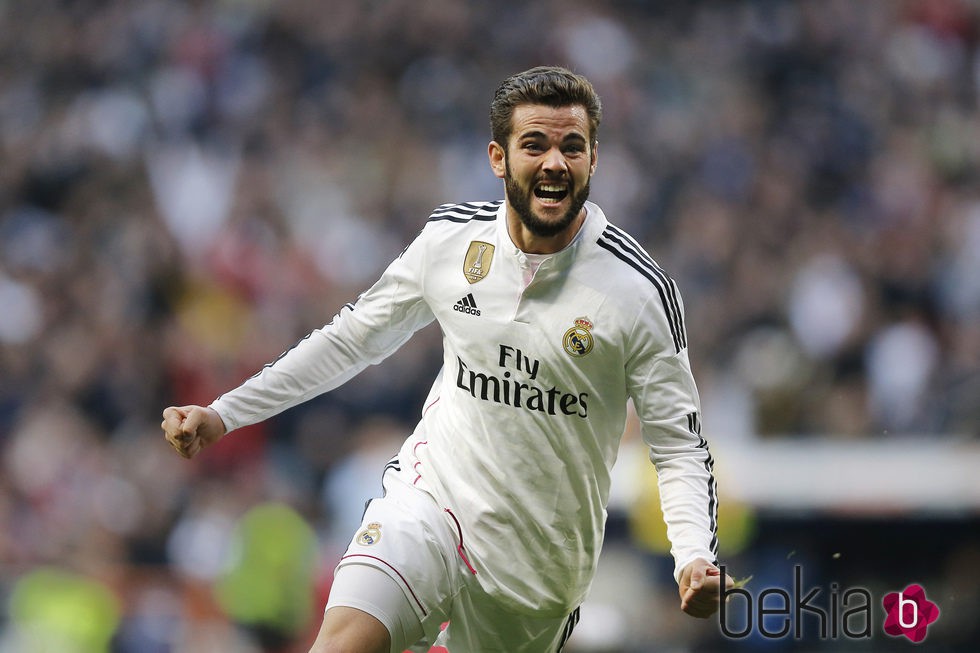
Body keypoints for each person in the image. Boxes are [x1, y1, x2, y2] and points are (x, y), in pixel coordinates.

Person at [162, 65, 730, 653]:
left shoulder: (637, 292)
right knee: (343, 642)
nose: (555, 162)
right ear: (498, 158)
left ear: (593, 160)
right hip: (430, 504)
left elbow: (677, 443)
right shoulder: (449, 244)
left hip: (537, 567)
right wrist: (224, 414)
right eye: (534, 144)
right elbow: (350, 339)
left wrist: (693, 553)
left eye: (572, 146)